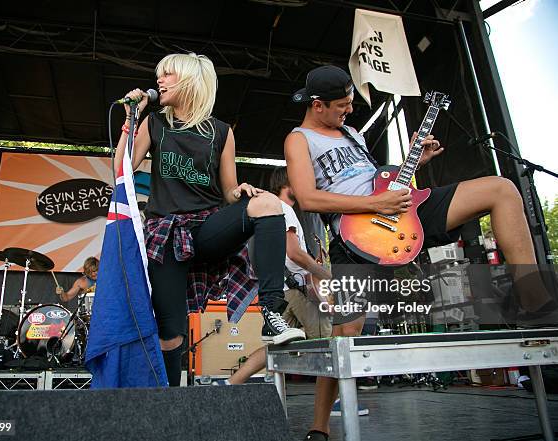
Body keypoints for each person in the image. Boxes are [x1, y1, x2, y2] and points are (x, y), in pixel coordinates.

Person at [284, 65, 551, 441]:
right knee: (345, 332)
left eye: (349, 104)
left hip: (399, 211)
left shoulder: (351, 133)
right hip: (354, 232)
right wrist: (375, 204)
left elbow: (380, 180)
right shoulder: (299, 139)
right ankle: (319, 428)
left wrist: (414, 164)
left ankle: (532, 296)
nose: (348, 111)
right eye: (342, 105)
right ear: (317, 105)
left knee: (502, 189)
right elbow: (308, 198)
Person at [115, 53, 303, 387]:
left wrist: (240, 190)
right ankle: (170, 402)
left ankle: (271, 312)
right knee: (170, 332)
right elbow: (122, 169)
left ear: (190, 80)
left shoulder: (221, 131)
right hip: (167, 234)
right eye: (159, 75)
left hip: (207, 228)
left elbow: (228, 190)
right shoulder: (155, 122)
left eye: (168, 74)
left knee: (269, 204)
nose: (160, 80)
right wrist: (133, 116)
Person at [217, 166, 333, 386]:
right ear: (287, 183)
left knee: (276, 345)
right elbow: (294, 253)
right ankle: (332, 401)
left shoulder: (266, 209)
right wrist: (324, 274)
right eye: (299, 181)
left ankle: (231, 383)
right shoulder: (283, 210)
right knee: (325, 343)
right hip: (298, 291)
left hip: (281, 291)